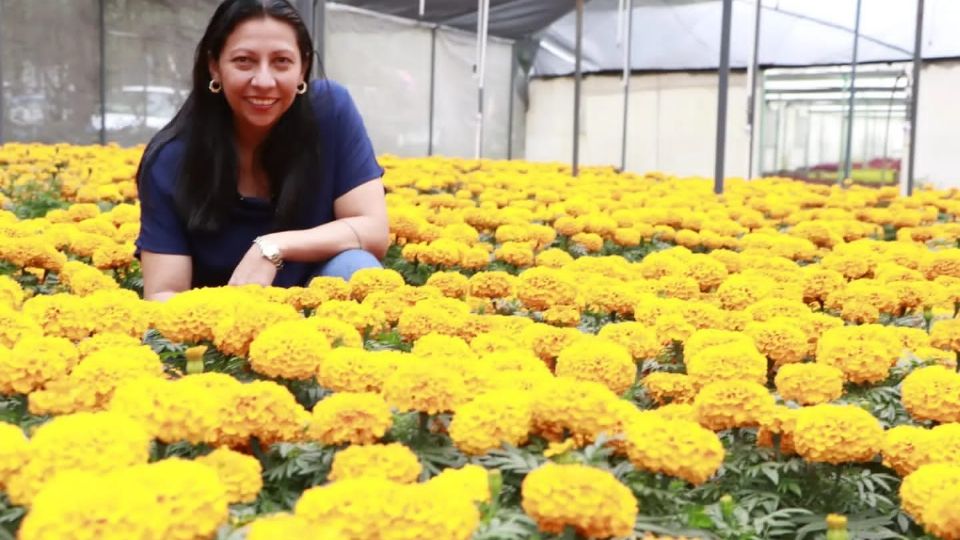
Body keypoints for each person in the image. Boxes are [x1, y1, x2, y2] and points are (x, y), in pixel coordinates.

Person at [135, 0, 388, 302]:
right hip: (223, 331)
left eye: (281, 61)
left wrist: (271, 247)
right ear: (214, 66)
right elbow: (165, 293)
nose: (264, 81)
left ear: (303, 67)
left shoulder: (330, 112)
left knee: (356, 268)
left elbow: (373, 230)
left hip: (322, 323)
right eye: (244, 61)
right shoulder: (170, 161)